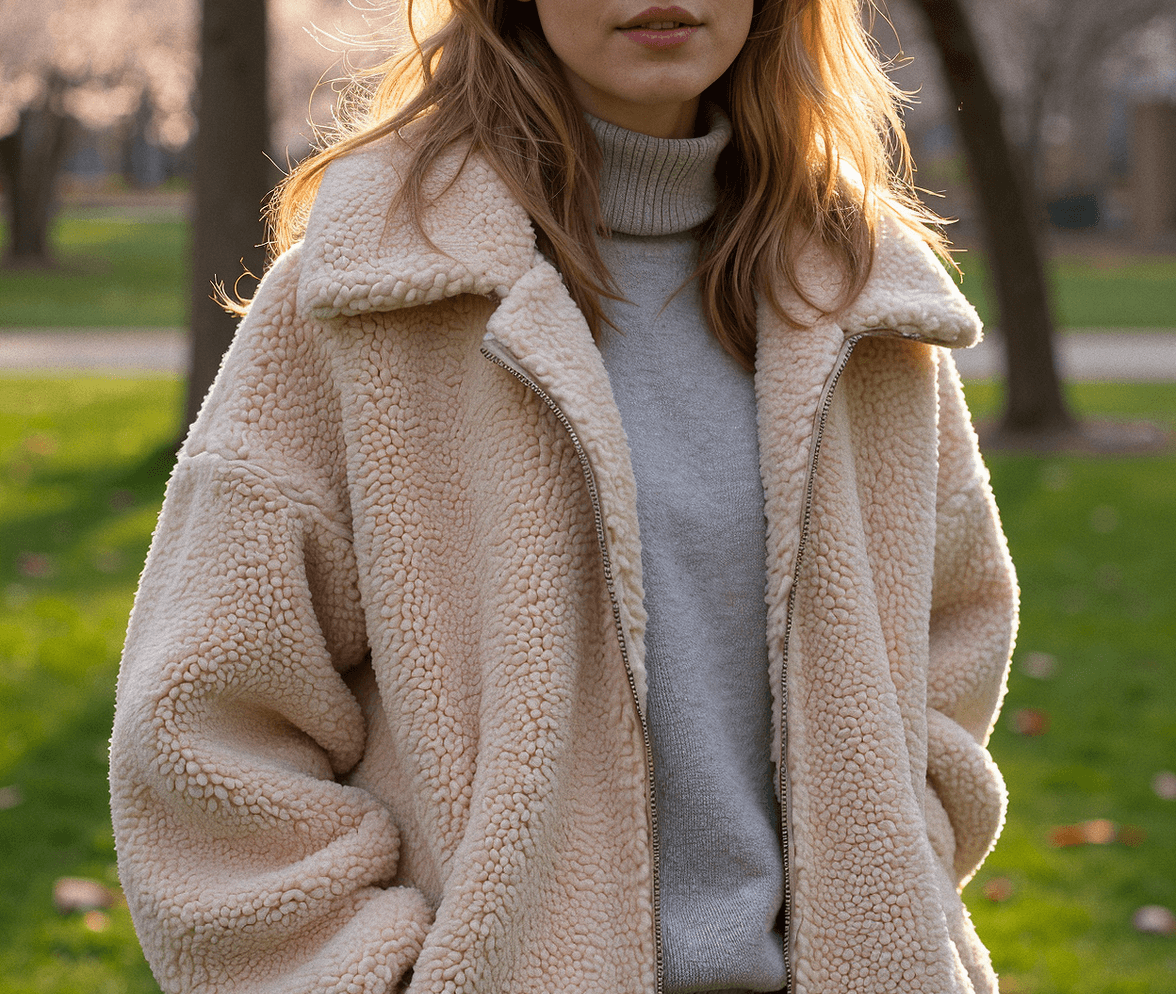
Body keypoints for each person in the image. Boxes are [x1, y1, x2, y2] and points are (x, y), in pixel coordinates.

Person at [109, 0, 1018, 992]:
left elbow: (945, 656)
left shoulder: (857, 294)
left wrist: (900, 878)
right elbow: (199, 728)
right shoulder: (364, 295)